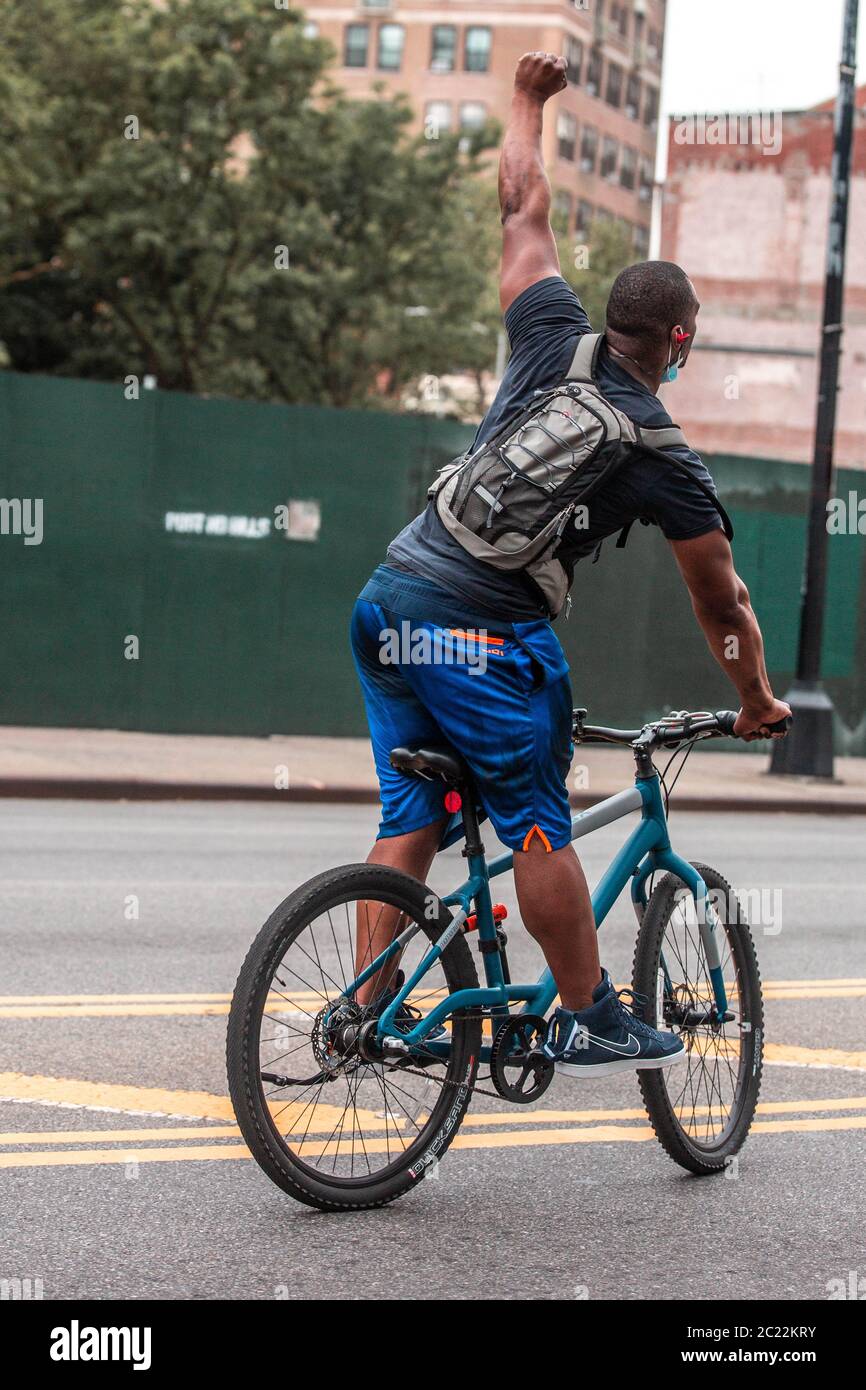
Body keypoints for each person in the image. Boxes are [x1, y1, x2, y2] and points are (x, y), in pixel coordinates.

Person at [350, 51, 791, 1075]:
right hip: (481, 627)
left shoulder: (548, 326)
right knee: (541, 823)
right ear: (676, 342)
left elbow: (521, 207)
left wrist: (525, 100)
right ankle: (591, 1014)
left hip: (388, 599)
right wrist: (755, 695)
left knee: (409, 818)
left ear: (612, 319)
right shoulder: (660, 452)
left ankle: (364, 1017)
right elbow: (716, 596)